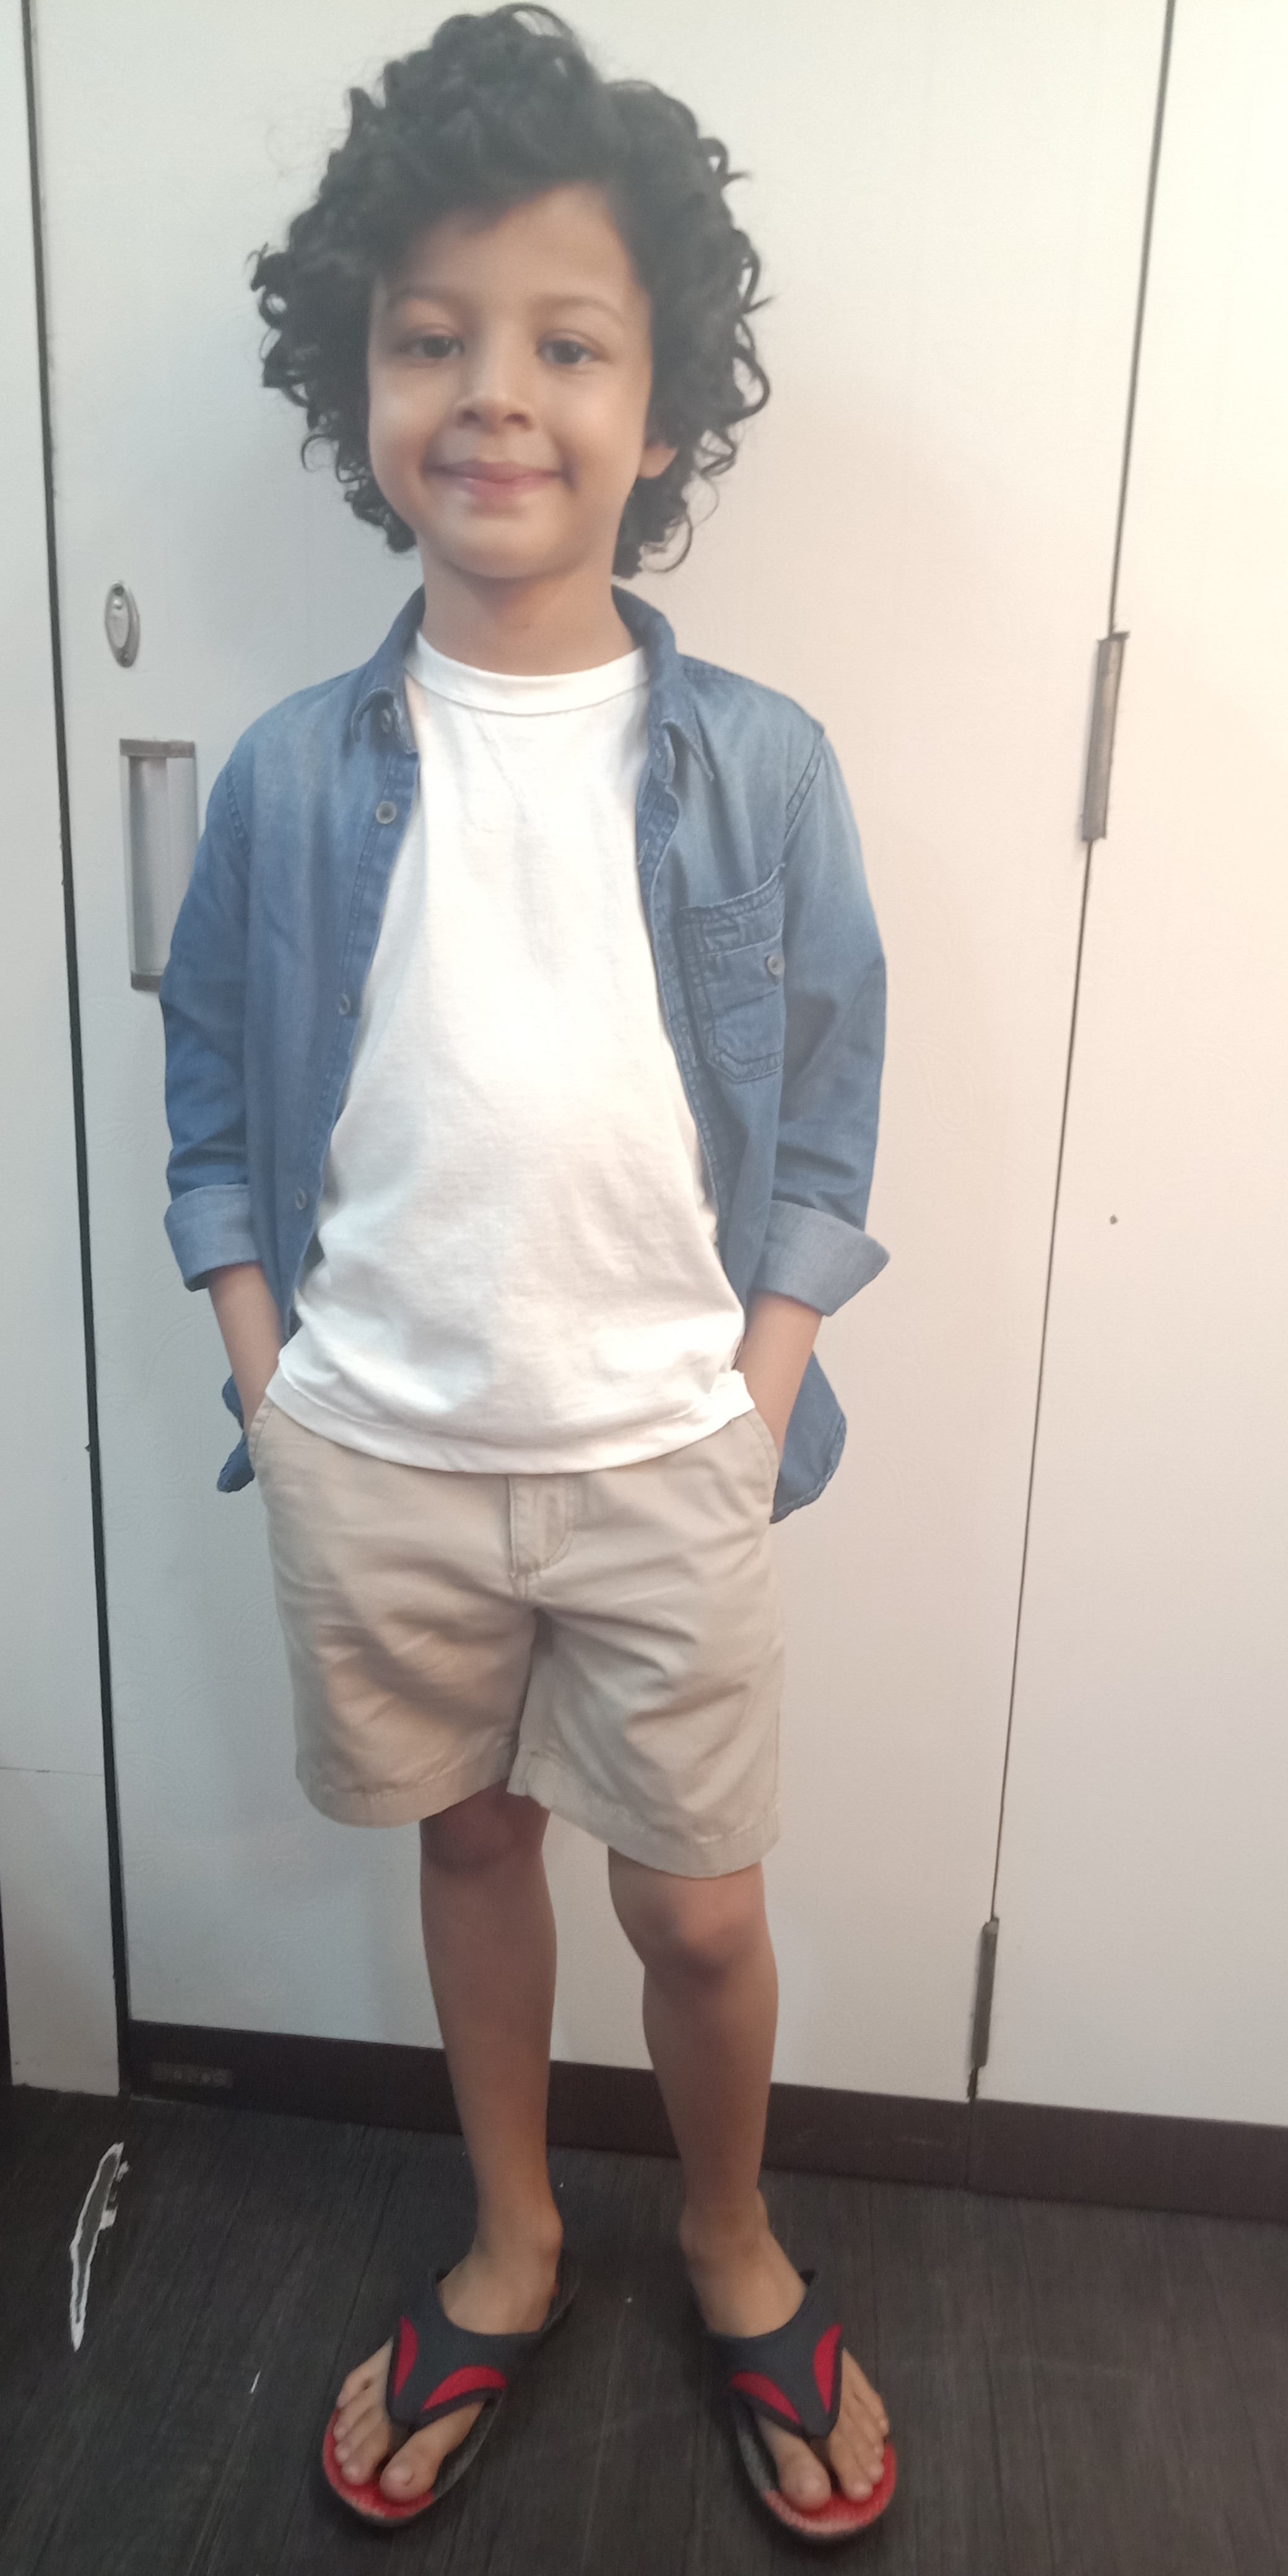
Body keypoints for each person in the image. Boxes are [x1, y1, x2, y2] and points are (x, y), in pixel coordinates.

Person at [160, 4, 892, 2543]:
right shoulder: (286, 774)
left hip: (666, 1450)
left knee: (694, 1903)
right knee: (470, 1848)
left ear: (660, 411)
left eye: (567, 344)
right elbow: (217, 1109)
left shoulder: (759, 766)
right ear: (357, 380)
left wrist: (751, 1387)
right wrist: (276, 1380)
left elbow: (827, 1108)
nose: (493, 393)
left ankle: (730, 2233)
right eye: (431, 337)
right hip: (376, 1452)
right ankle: (510, 2237)